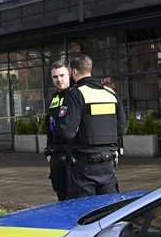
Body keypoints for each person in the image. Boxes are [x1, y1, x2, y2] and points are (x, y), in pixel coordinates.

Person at [54, 54, 127, 199]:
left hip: (83, 166)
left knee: (84, 212)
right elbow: (122, 128)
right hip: (108, 164)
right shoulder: (110, 92)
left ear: (74, 72)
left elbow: (67, 132)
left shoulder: (75, 94)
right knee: (109, 209)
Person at [44, 60, 75, 201]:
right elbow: (50, 126)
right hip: (57, 155)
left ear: (70, 75)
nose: (59, 79)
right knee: (60, 192)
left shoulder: (75, 96)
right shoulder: (54, 99)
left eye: (62, 75)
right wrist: (49, 151)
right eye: (55, 77)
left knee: (75, 196)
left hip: (73, 154)